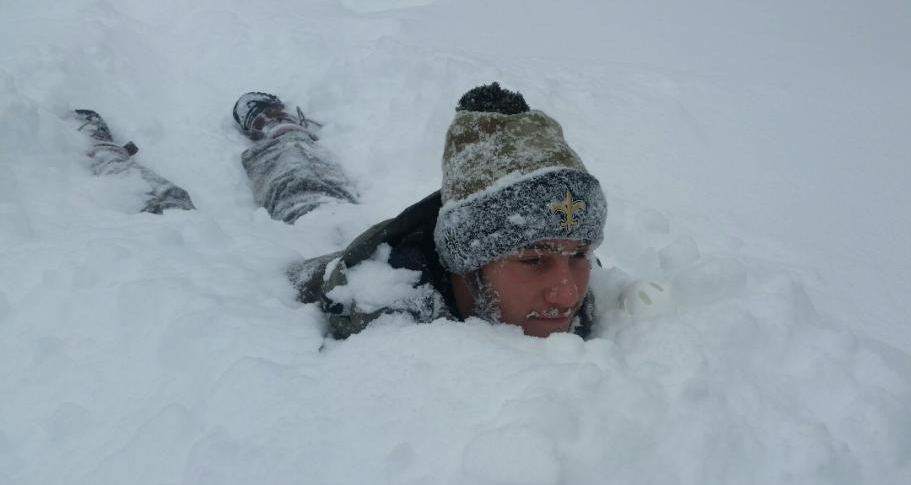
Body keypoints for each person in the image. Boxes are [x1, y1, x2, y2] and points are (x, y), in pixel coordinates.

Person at [74, 82, 607, 339]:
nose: (568, 291)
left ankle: (284, 136)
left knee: (320, 200)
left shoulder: (549, 274)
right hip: (297, 275)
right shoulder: (378, 320)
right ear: (469, 258)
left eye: (580, 254)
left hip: (375, 238)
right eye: (534, 260)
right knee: (177, 227)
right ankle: (112, 158)